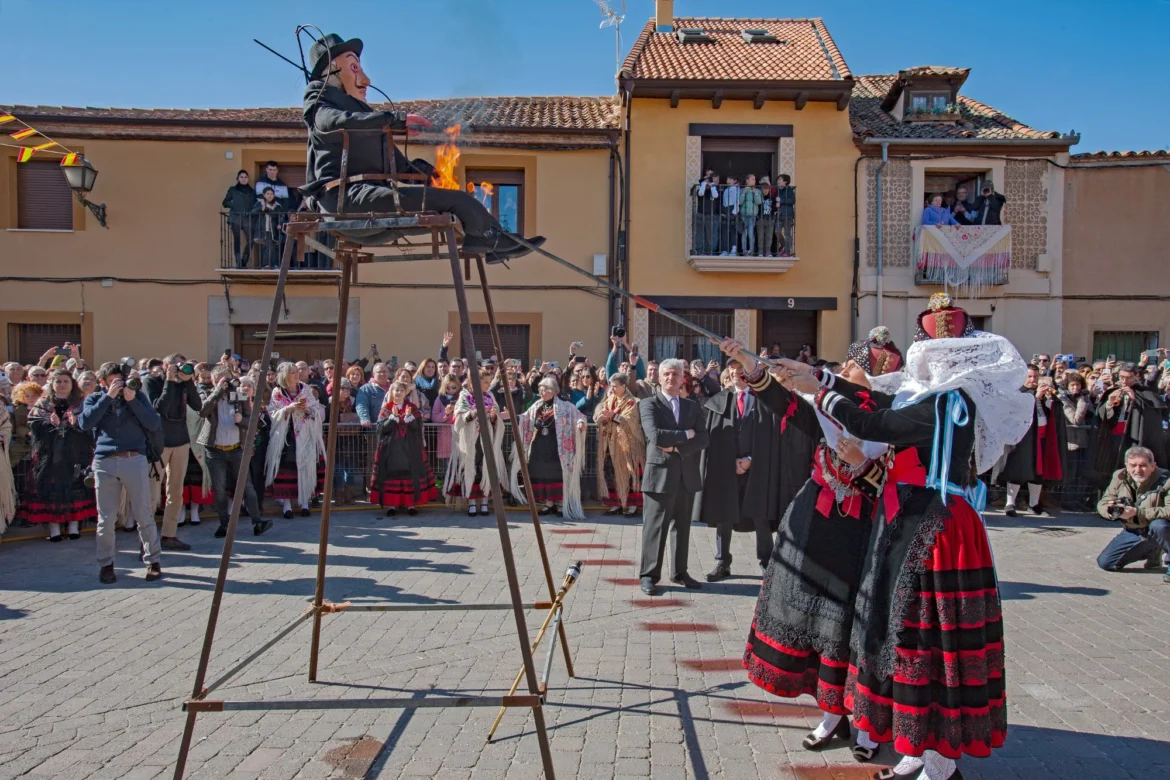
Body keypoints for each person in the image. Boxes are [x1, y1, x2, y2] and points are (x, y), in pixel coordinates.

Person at [776, 292, 1030, 779]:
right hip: (912, 522)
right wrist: (818, 378)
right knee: (906, 637)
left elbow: (875, 420)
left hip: (933, 530)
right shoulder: (938, 399)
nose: (918, 367)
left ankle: (939, 762)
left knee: (928, 641)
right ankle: (919, 746)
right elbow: (884, 399)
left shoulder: (948, 404)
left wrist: (818, 389)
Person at [721, 327, 903, 762]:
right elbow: (789, 406)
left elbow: (896, 482)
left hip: (864, 535)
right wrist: (751, 367)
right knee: (817, 625)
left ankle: (865, 720)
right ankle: (830, 711)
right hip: (814, 527)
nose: (843, 370)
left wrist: (863, 468)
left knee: (854, 629)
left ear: (875, 379)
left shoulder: (894, 418)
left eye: (853, 366)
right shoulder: (828, 404)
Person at [299, 34, 544, 263]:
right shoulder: (320, 103)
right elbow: (334, 121)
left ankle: (495, 239)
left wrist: (432, 176)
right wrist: (394, 119)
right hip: (347, 201)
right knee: (456, 202)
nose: (365, 79)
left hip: (371, 200)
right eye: (354, 68)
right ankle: (490, 241)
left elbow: (401, 165)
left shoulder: (366, 118)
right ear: (331, 72)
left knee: (457, 199)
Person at [697, 358, 786, 581]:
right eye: (733, 368)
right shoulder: (719, 401)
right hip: (725, 471)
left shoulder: (764, 401)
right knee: (724, 515)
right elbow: (714, 438)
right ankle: (721, 562)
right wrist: (731, 462)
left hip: (757, 469)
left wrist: (750, 460)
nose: (736, 372)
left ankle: (766, 562)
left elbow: (771, 439)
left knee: (760, 516)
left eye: (741, 368)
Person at [78, 362, 165, 584]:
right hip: (104, 462)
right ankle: (106, 564)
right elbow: (85, 423)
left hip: (134, 459)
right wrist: (108, 397)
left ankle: (153, 561)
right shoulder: (95, 399)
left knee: (143, 513)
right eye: (113, 380)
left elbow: (154, 423)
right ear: (103, 382)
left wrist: (132, 400)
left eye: (120, 379)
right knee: (106, 518)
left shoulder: (136, 396)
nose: (118, 384)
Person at [637, 358, 710, 596]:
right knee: (654, 528)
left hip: (686, 477)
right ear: (659, 378)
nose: (671, 378)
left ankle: (680, 572)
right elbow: (656, 437)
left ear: (682, 379)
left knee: (682, 527)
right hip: (659, 477)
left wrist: (679, 446)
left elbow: (703, 438)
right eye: (666, 374)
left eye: (675, 375)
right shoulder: (649, 405)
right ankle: (649, 575)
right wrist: (685, 434)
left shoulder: (692, 406)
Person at [198, 366, 271, 537]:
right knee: (220, 489)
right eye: (222, 380)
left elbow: (251, 421)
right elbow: (203, 412)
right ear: (214, 381)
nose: (227, 383)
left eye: (228, 379)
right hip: (215, 451)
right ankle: (224, 524)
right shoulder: (209, 395)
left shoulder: (239, 396)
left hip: (236, 449)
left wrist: (242, 420)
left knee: (247, 487)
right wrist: (217, 392)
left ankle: (257, 522)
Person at [24, 371, 96, 542]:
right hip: (50, 454)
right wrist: (49, 423)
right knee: (52, 489)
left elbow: (91, 425)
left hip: (76, 453)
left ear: (72, 384)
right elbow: (33, 424)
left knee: (75, 486)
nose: (62, 384)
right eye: (58, 381)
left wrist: (76, 423)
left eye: (66, 381)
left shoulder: (81, 402)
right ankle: (54, 528)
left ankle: (73, 526)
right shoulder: (43, 402)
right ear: (52, 384)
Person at [146, 355, 202, 551]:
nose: (181, 369)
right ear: (166, 366)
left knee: (175, 492)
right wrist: (169, 381)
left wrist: (189, 383)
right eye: (176, 365)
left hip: (181, 441)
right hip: (158, 443)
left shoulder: (184, 383)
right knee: (152, 494)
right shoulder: (152, 381)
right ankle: (146, 539)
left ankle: (169, 535)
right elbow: (159, 407)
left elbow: (197, 406)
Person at [511, 376, 588, 519]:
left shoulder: (565, 406)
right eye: (540, 389)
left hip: (558, 448)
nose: (542, 392)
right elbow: (525, 418)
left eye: (545, 389)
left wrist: (580, 423)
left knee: (558, 474)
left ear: (554, 391)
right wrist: (511, 416)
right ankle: (548, 503)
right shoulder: (537, 406)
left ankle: (560, 504)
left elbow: (579, 415)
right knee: (542, 474)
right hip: (539, 447)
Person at [1095, 446, 1170, 578]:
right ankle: (1153, 551)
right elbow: (1103, 503)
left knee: (1159, 525)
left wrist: (1137, 512)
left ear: (1153, 466)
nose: (1138, 470)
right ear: (1126, 466)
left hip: (1161, 528)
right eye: (1133, 465)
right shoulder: (1119, 476)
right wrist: (1113, 511)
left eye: (1143, 465)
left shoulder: (1166, 480)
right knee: (1106, 563)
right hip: (1135, 529)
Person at [265, 362, 326, 519]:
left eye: (297, 371)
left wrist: (308, 410)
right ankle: (287, 506)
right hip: (286, 438)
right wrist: (288, 409)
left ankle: (304, 503)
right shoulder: (278, 392)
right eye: (292, 372)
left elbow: (317, 408)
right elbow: (272, 412)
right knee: (286, 472)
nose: (296, 374)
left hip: (305, 436)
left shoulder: (305, 389)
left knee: (305, 468)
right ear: (285, 375)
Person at [1001, 368, 1066, 517]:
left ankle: (1034, 504)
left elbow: (1049, 413)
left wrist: (1049, 400)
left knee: (1038, 473)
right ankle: (1010, 503)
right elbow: (1019, 412)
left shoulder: (1041, 393)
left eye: (1035, 376)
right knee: (1017, 471)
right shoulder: (1019, 393)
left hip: (1041, 438)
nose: (1033, 380)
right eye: (1029, 376)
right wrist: (1035, 397)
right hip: (1023, 439)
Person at [1092, 361, 1168, 487]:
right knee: (1112, 471)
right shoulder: (1113, 390)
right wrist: (1109, 404)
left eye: (1128, 377)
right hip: (1114, 439)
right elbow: (1102, 416)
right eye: (1122, 377)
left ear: (1137, 376)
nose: (1124, 381)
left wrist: (1134, 400)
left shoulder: (1146, 393)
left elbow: (1150, 416)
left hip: (1134, 438)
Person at [369, 380, 437, 516]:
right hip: (391, 450)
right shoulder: (386, 409)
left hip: (410, 448)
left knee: (410, 474)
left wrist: (409, 418)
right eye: (396, 390)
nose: (398, 393)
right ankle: (391, 505)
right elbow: (380, 429)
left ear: (405, 392)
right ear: (391, 392)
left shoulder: (412, 408)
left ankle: (410, 504)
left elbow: (418, 428)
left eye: (401, 390)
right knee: (391, 475)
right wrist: (392, 418)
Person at [446, 368, 507, 516]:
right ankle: (472, 503)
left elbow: (496, 415)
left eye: (489, 382)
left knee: (486, 469)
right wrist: (474, 413)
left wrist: (494, 416)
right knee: (470, 469)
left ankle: (485, 501)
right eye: (485, 382)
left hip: (486, 439)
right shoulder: (465, 396)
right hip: (470, 440)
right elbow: (459, 417)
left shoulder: (490, 395)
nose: (488, 385)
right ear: (475, 382)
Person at [594, 374, 645, 518]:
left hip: (628, 446)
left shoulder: (632, 402)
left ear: (624, 386)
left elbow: (631, 421)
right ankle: (615, 504)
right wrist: (602, 418)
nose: (612, 388)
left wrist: (613, 416)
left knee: (630, 474)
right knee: (612, 473)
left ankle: (632, 506)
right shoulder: (610, 400)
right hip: (610, 444)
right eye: (611, 385)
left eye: (615, 385)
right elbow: (601, 416)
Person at [1059, 372, 1095, 510]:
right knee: (1071, 474)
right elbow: (1075, 419)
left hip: (1085, 441)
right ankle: (1068, 501)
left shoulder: (1085, 398)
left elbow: (1092, 415)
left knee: (1081, 475)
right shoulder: (1065, 399)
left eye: (1078, 385)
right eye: (1072, 385)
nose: (1075, 388)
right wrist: (1082, 401)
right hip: (1071, 443)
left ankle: (1079, 500)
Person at [9, 381, 41, 526]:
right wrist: (27, 433)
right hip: (23, 449)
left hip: (40, 449)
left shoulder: (42, 408)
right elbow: (16, 427)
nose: (30, 398)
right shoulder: (18, 410)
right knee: (23, 483)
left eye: (33, 395)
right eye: (26, 396)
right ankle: (23, 514)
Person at [222, 170, 256, 267]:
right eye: (241, 177)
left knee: (251, 239)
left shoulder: (252, 192)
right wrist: (234, 205)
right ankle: (238, 262)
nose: (244, 179)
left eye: (245, 177)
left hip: (247, 218)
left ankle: (244, 261)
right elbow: (225, 202)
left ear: (248, 179)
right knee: (237, 239)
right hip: (235, 216)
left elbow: (255, 205)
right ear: (238, 178)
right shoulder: (233, 190)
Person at [431, 373, 462, 479]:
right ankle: (446, 491)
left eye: (453, 387)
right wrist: (446, 413)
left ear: (458, 386)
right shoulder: (439, 399)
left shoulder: (463, 398)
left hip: (460, 438)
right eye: (448, 387)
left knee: (459, 468)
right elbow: (434, 418)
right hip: (445, 439)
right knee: (446, 470)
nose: (451, 390)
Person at [251, 186, 286, 269]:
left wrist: (269, 211)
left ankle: (271, 264)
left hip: (273, 230)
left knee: (272, 247)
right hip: (263, 229)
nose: (270, 195)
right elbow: (252, 212)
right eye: (268, 194)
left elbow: (279, 216)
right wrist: (261, 209)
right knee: (268, 247)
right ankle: (267, 264)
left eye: (271, 194)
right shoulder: (259, 203)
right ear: (264, 195)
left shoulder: (277, 205)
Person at [356, 362, 390, 429]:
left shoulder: (393, 388)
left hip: (392, 430)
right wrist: (364, 418)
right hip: (374, 429)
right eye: (379, 372)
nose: (382, 374)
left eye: (384, 371)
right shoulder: (365, 389)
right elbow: (361, 405)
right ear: (373, 374)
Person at [738, 174, 763, 256]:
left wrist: (755, 193)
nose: (754, 181)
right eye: (752, 179)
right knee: (744, 233)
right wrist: (743, 194)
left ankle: (751, 251)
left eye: (755, 179)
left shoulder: (758, 191)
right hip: (743, 215)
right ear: (747, 180)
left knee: (751, 233)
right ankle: (744, 250)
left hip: (753, 215)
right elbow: (740, 202)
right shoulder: (742, 190)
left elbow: (759, 202)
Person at [775, 174, 796, 257]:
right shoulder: (778, 191)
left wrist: (781, 200)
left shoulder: (790, 190)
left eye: (780, 180)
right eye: (778, 180)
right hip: (780, 215)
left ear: (785, 181)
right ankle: (784, 246)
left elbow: (792, 201)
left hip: (788, 215)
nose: (778, 181)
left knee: (787, 234)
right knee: (776, 231)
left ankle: (787, 251)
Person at [719, 176, 741, 256]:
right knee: (725, 231)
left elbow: (737, 201)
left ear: (735, 180)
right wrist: (723, 211)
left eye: (730, 179)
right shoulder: (726, 190)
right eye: (727, 179)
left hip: (733, 209)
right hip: (726, 209)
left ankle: (733, 249)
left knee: (733, 230)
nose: (728, 181)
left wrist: (735, 211)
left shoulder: (737, 189)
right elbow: (724, 202)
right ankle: (725, 250)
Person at [756, 175, 776, 257]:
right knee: (760, 236)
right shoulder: (758, 198)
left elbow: (775, 208)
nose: (765, 191)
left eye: (767, 189)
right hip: (760, 219)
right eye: (764, 189)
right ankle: (760, 251)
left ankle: (768, 251)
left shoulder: (773, 198)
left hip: (770, 219)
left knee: (769, 237)